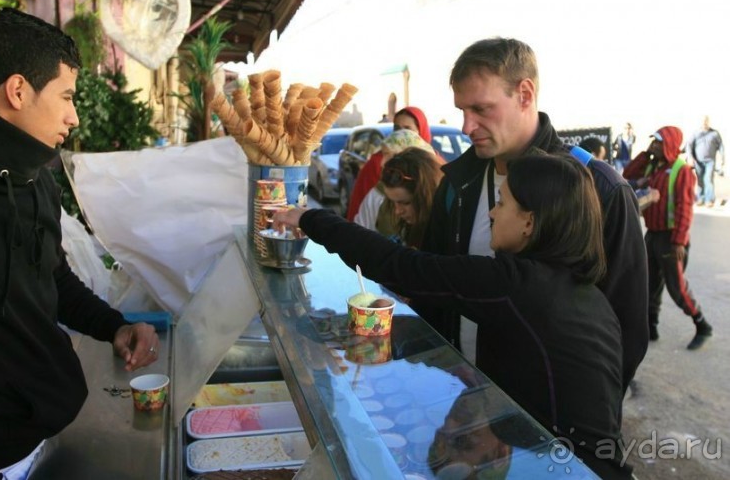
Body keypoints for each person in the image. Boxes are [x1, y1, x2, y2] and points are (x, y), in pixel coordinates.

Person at [274, 154, 631, 479]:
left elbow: (402, 267)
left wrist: (310, 218)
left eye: (502, 203)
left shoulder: (519, 286)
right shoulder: (580, 292)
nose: (491, 213)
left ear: (529, 223)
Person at [0, 9, 159, 479]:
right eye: (66, 96)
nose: (73, 116)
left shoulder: (34, 180)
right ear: (17, 90)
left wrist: (113, 326)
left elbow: (51, 275)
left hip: (45, 439)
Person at [419, 37, 648, 395]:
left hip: (547, 427)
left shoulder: (600, 190)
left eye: (481, 109)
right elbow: (433, 285)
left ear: (525, 94)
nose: (466, 127)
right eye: (462, 110)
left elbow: (626, 331)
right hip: (457, 400)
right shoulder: (456, 184)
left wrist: (568, 421)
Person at [623, 126, 714, 350]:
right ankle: (650, 326)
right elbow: (628, 175)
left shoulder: (681, 170)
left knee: (677, 288)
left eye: (658, 142)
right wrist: (646, 153)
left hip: (670, 238)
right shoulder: (653, 165)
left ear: (670, 144)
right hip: (652, 235)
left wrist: (679, 241)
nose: (654, 145)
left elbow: (685, 208)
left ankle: (702, 326)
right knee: (649, 283)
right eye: (653, 141)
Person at [345, 106, 433, 222]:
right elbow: (363, 211)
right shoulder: (378, 162)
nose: (401, 133)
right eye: (397, 128)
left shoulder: (433, 164)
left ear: (420, 130)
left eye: (407, 128)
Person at [354, 131, 439, 241]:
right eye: (393, 202)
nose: (397, 211)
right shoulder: (378, 193)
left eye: (405, 202)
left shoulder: (447, 226)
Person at [684, 115, 724, 207]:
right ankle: (700, 198)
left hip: (710, 161)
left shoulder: (714, 133)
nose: (704, 123)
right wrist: (690, 157)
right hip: (698, 161)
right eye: (703, 121)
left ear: (708, 122)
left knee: (708, 178)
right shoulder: (696, 133)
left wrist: (722, 158)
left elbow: (721, 146)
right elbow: (689, 145)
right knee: (700, 180)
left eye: (706, 121)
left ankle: (709, 199)